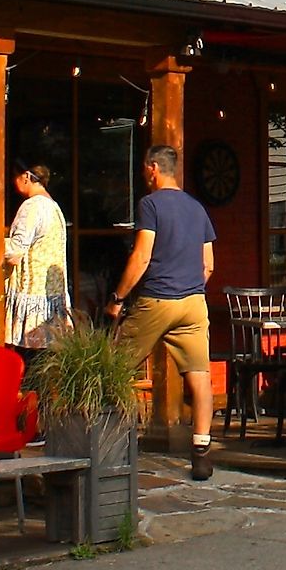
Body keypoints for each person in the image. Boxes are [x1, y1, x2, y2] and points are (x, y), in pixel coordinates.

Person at [107, 145, 217, 481]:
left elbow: (141, 256)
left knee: (112, 366)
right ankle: (200, 454)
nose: (145, 174)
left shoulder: (150, 205)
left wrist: (118, 297)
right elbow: (208, 265)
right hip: (194, 303)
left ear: (154, 168)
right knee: (200, 377)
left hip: (157, 299)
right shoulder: (197, 208)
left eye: (145, 168)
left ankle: (108, 444)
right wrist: (189, 286)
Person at [4, 165, 69, 352]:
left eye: (15, 177)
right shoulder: (53, 206)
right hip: (52, 294)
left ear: (25, 176)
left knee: (29, 357)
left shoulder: (31, 206)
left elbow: (15, 252)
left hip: (33, 295)